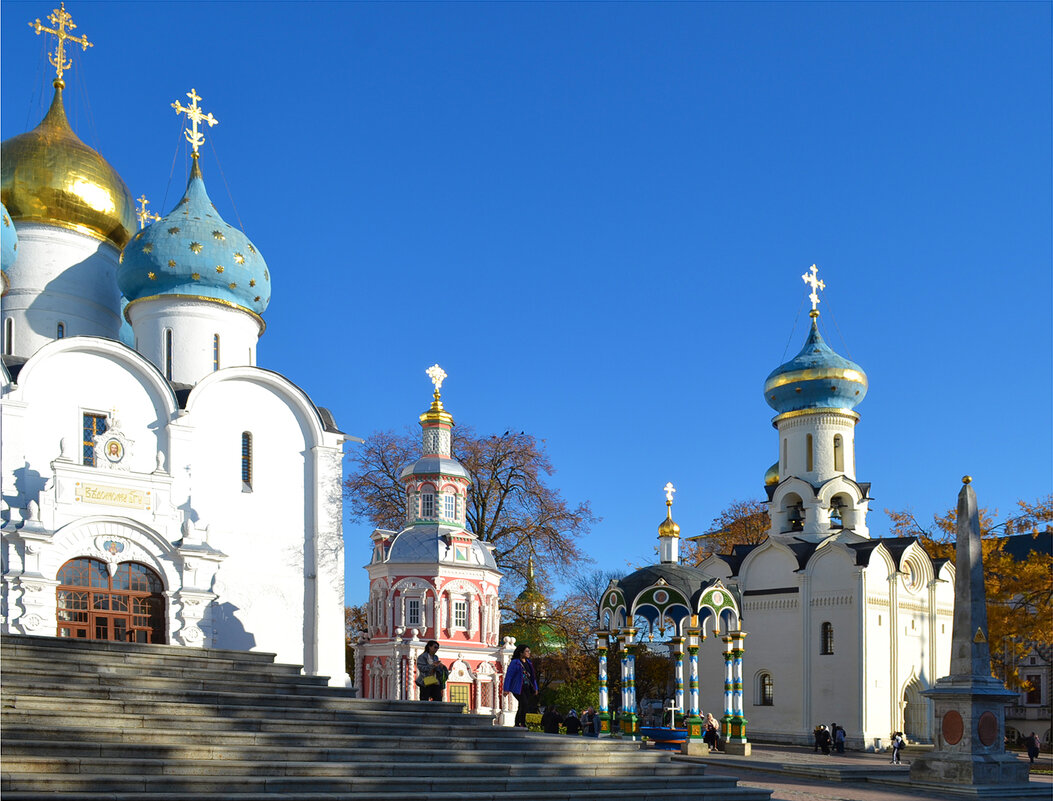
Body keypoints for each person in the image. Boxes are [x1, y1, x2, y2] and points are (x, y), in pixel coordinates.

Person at [503, 644, 538, 728]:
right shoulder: (515, 663)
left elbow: (533, 677)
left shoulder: (529, 663)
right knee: (524, 703)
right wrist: (506, 689)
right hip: (518, 687)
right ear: (521, 653)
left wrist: (536, 688)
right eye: (526, 651)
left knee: (523, 705)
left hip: (527, 687)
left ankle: (517, 723)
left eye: (529, 651)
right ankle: (522, 722)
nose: (528, 653)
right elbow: (509, 676)